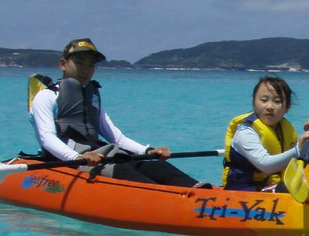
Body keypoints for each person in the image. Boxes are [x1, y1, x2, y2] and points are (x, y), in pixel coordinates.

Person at [29, 38, 204, 187]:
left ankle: (205, 194)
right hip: (69, 159)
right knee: (126, 171)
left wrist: (147, 150)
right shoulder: (47, 96)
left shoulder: (92, 97)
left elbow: (116, 138)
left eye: (91, 65)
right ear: (63, 64)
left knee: (153, 166)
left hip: (99, 155)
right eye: (79, 62)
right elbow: (47, 138)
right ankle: (176, 204)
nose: (85, 69)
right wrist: (77, 156)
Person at [222, 76, 309, 191]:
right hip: (243, 190)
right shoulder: (245, 132)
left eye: (277, 101)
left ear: (287, 108)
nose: (269, 107)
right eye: (264, 100)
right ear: (254, 103)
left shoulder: (284, 131)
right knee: (290, 189)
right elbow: (266, 165)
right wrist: (299, 149)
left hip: (269, 188)